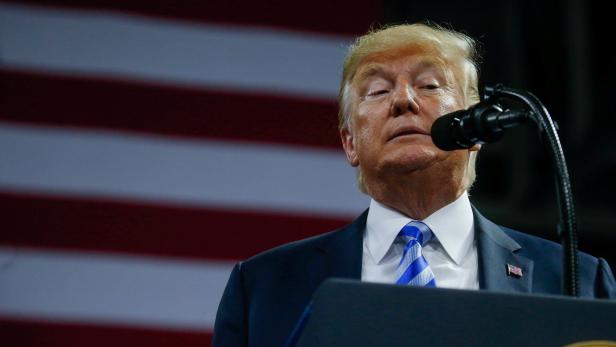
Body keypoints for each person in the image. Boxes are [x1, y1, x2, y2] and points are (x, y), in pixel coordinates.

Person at [212, 23, 616, 347]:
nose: (403, 100)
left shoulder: (576, 278)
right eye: (378, 90)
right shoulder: (263, 286)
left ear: (473, 129)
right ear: (350, 142)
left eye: (429, 85)